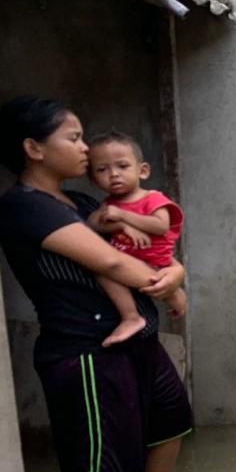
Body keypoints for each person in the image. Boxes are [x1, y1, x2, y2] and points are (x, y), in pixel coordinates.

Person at [0, 96, 191, 472]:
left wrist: (175, 273)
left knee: (169, 429)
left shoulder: (83, 204)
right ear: (33, 148)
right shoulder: (25, 207)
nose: (86, 148)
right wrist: (169, 288)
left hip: (139, 342)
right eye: (73, 138)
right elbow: (111, 262)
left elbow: (152, 250)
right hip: (89, 352)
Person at [85, 130, 186, 348]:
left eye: (122, 166)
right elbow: (92, 224)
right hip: (128, 257)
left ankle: (172, 298)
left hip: (153, 260)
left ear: (143, 171)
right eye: (102, 169)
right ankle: (131, 316)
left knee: (163, 288)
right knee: (101, 271)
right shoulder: (109, 203)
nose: (114, 174)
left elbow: (161, 226)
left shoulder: (152, 198)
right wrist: (120, 225)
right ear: (93, 180)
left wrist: (122, 216)